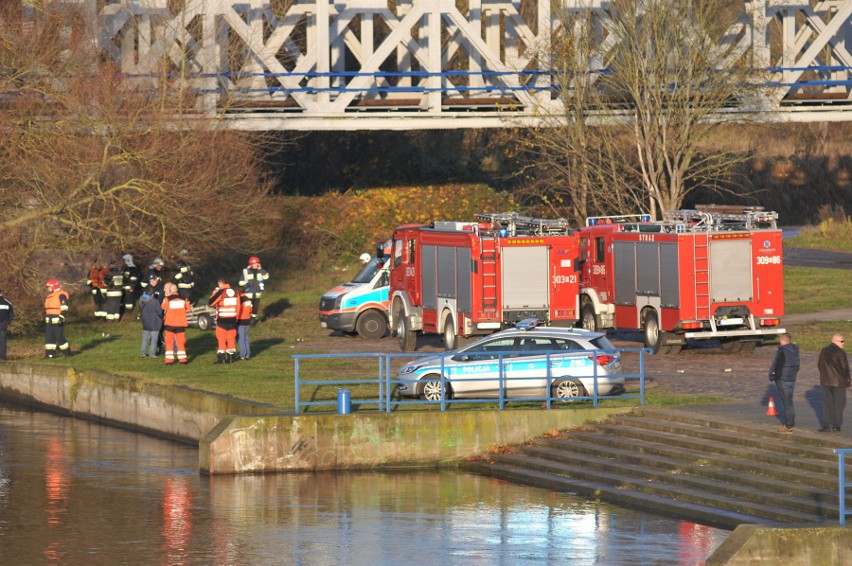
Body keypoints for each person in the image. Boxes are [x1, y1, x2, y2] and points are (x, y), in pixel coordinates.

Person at [818, 333, 851, 432]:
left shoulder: (824, 351)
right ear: (835, 341)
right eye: (842, 341)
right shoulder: (840, 352)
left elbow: (819, 365)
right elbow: (845, 368)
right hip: (839, 383)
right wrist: (848, 381)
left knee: (827, 404)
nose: (843, 343)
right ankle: (837, 425)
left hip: (826, 381)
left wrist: (824, 376)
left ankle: (826, 426)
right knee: (839, 404)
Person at [768, 332, 799, 433]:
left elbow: (777, 365)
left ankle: (788, 425)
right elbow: (797, 366)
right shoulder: (795, 350)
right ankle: (790, 424)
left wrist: (773, 375)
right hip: (791, 378)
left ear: (782, 340)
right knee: (789, 401)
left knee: (787, 403)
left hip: (783, 379)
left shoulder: (782, 351)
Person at [209, 278, 240, 364]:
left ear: (220, 284)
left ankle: (221, 358)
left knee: (221, 338)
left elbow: (211, 302)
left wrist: (214, 293)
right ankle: (231, 358)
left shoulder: (220, 292)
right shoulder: (236, 292)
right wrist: (236, 318)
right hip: (233, 319)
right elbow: (238, 307)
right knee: (231, 338)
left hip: (222, 320)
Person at [161, 283, 190, 365]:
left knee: (169, 343)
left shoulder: (167, 299)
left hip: (170, 324)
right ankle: (183, 360)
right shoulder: (184, 299)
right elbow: (188, 309)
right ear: (177, 290)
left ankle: (169, 361)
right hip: (180, 324)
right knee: (181, 343)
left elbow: (163, 307)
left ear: (170, 291)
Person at [43, 279, 70, 358]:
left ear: (53, 286)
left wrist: (62, 316)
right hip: (49, 320)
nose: (47, 288)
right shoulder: (50, 296)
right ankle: (49, 354)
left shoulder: (61, 295)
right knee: (49, 338)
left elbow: (64, 307)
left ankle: (67, 352)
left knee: (59, 337)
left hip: (58, 319)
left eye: (48, 287)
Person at [239, 256, 268, 323]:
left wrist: (261, 269)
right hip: (248, 293)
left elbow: (266, 276)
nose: (257, 265)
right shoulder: (245, 271)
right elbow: (240, 282)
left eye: (257, 263)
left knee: (255, 308)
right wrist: (247, 284)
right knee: (248, 308)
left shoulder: (260, 271)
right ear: (251, 264)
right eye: (255, 263)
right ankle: (247, 319)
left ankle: (253, 320)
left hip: (257, 293)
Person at [138, 290, 163, 358]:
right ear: (152, 294)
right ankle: (152, 353)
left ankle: (142, 352)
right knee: (154, 339)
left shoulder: (141, 300)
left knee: (145, 338)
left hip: (145, 321)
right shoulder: (155, 301)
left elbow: (140, 309)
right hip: (154, 322)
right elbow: (159, 312)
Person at [237, 286, 253, 360]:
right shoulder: (248, 299)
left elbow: (237, 310)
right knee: (246, 338)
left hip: (241, 321)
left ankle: (242, 355)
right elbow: (250, 310)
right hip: (247, 320)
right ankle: (248, 354)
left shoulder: (239, 300)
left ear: (238, 292)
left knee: (241, 339)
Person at [0, 288, 13, 360]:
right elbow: (11, 314)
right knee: (2, 342)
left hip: (3, 324)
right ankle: (2, 358)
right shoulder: (7, 302)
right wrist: (8, 322)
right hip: (3, 324)